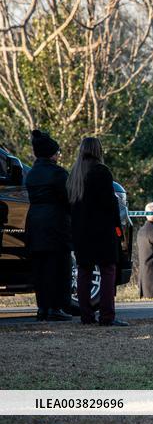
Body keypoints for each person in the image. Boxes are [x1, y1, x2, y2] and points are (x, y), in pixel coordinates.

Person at [67, 137, 127, 326]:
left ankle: (86, 316)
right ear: (98, 151)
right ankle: (107, 316)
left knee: (84, 272)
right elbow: (110, 205)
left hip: (80, 232)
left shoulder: (74, 174)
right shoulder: (101, 172)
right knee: (108, 271)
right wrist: (118, 229)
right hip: (101, 232)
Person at [24, 129, 73, 321]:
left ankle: (42, 307)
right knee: (57, 266)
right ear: (52, 154)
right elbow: (68, 199)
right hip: (55, 223)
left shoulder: (32, 174)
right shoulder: (58, 174)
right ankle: (55, 307)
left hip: (34, 222)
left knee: (40, 268)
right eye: (58, 152)